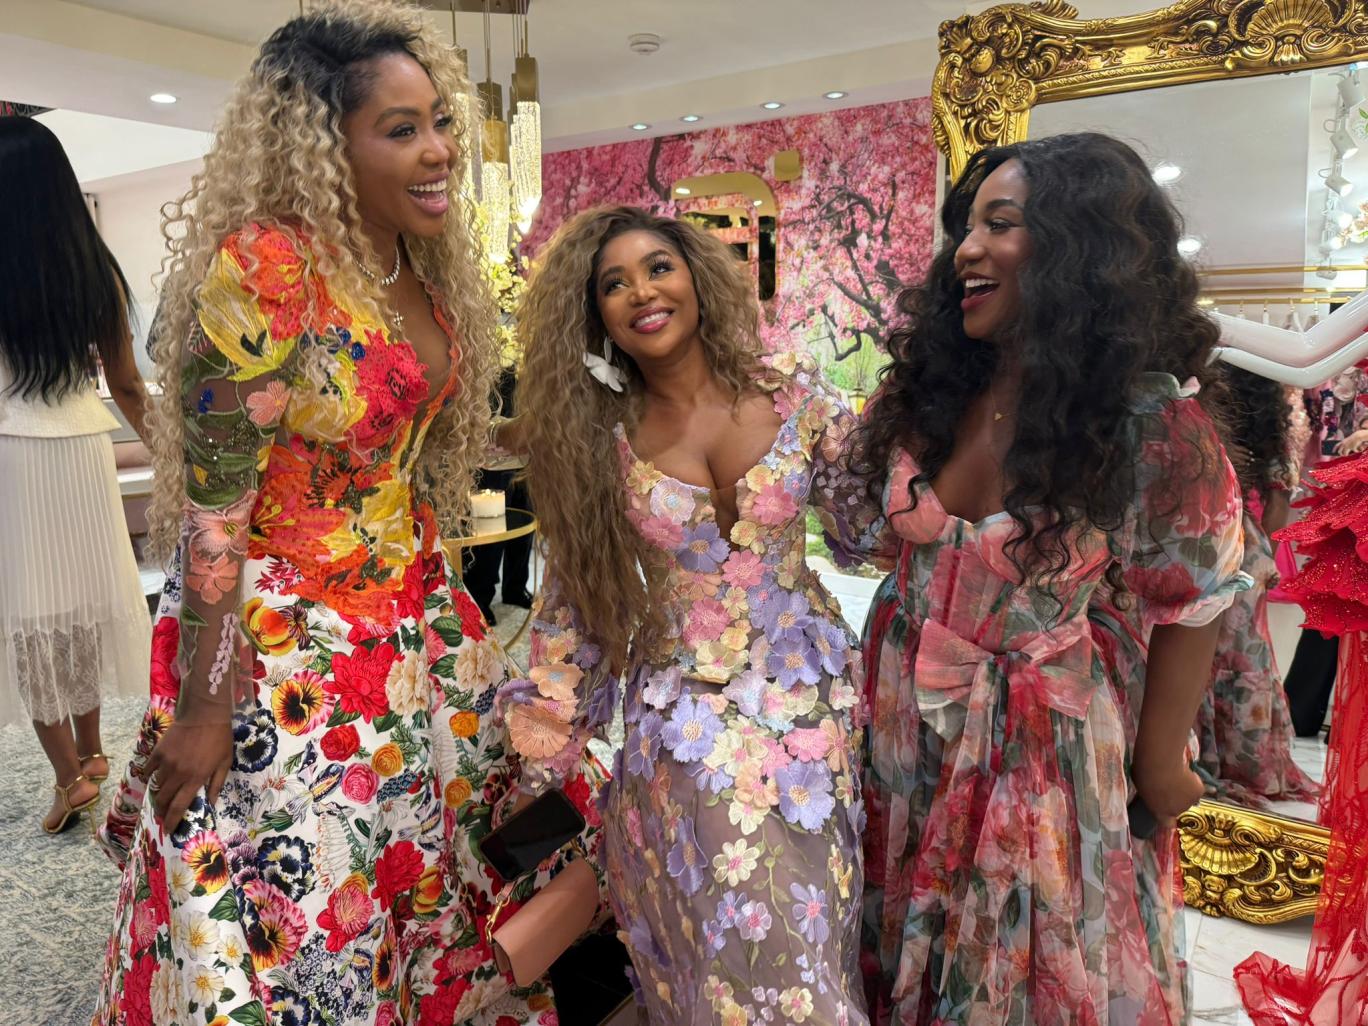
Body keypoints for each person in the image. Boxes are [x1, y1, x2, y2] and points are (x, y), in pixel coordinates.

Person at [93, 4, 591, 1023]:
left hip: (419, 618)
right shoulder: (268, 266)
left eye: (441, 120)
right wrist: (203, 707)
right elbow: (215, 512)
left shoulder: (418, 259)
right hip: (289, 643)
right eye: (401, 129)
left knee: (453, 856)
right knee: (315, 904)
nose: (440, 148)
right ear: (325, 144)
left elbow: (397, 434)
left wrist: (564, 435)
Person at [849, 133, 1249, 1025]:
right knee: (895, 933)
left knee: (1021, 979)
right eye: (966, 226)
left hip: (1039, 748)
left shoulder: (1150, 424)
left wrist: (1159, 762)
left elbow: (1199, 597)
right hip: (900, 723)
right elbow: (869, 540)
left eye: (1000, 224)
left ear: (1079, 251)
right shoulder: (934, 391)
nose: (966, 250)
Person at [500, 205, 888, 1025]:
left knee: (814, 928)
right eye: (614, 284)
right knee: (727, 951)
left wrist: (904, 445)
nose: (642, 292)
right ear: (596, 315)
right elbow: (575, 608)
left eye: (658, 267)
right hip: (683, 731)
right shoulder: (598, 444)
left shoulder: (792, 389)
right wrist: (540, 752)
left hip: (813, 705)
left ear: (697, 277)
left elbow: (866, 530)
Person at [0, 115, 151, 834]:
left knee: (26, 618)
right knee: (82, 608)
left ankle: (69, 777)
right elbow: (128, 385)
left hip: (13, 450)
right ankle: (92, 753)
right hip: (85, 446)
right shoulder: (96, 270)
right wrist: (179, 464)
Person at [1194, 366, 1319, 806]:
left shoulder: (1200, 416)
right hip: (1243, 545)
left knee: (1197, 651)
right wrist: (1258, 549)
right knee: (1243, 657)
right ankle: (1245, 760)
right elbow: (1278, 508)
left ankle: (1197, 755)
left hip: (1201, 538)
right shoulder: (1270, 433)